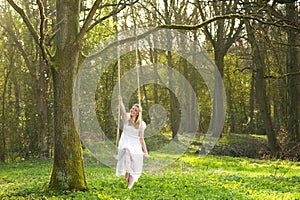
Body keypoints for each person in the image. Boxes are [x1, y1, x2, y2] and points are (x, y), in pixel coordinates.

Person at [116, 95, 148, 189]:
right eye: (132, 108)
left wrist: (145, 151)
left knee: (134, 166)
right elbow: (122, 110)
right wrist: (120, 101)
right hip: (125, 142)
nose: (132, 110)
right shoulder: (126, 118)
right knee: (127, 151)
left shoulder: (141, 124)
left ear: (138, 113)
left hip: (135, 144)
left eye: (135, 110)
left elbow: (141, 138)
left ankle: (130, 185)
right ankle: (127, 173)